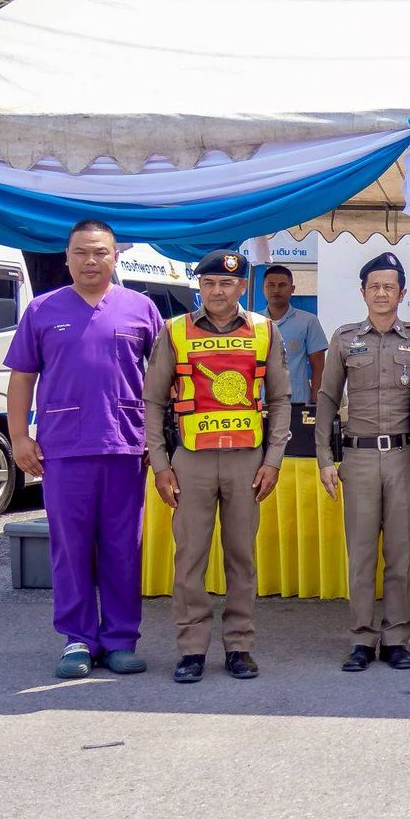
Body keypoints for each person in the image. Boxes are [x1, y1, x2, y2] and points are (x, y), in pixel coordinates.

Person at [6, 220, 163, 680]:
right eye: (81, 252)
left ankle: (120, 639)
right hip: (64, 448)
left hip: (125, 444)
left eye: (100, 252)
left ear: (116, 257)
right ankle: (77, 638)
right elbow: (22, 377)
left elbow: (165, 380)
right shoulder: (42, 310)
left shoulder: (141, 308)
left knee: (123, 546)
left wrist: (160, 440)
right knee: (70, 547)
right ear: (67, 257)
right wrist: (19, 437)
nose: (90, 261)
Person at [145, 249, 290, 684]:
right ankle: (191, 649)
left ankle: (239, 646)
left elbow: (281, 399)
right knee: (190, 557)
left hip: (247, 459)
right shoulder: (174, 330)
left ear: (243, 286)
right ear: (199, 286)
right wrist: (160, 464)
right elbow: (153, 401)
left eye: (227, 283)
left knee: (242, 558)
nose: (217, 291)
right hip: (191, 459)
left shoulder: (265, 330)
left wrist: (273, 461)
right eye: (208, 283)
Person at [315, 252, 410, 673]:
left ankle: (396, 639)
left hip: (404, 458)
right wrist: (325, 458)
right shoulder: (345, 339)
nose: (381, 293)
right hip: (358, 458)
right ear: (363, 292)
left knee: (399, 553)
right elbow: (327, 399)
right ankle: (361, 638)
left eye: (389, 286)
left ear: (402, 292)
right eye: (374, 286)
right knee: (361, 554)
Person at [261, 264, 328, 407]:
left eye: (282, 285)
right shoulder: (253, 322)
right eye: (271, 285)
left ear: (292, 289)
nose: (276, 290)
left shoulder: (308, 321)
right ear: (263, 289)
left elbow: (318, 366)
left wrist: (316, 403)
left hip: (297, 402)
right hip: (260, 403)